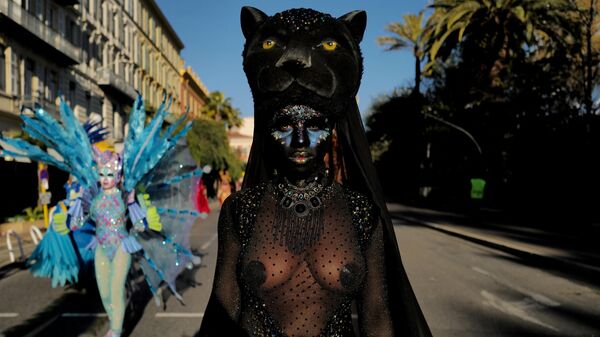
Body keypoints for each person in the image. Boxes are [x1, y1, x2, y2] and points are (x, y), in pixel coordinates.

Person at [197, 7, 431, 337]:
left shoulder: (362, 215)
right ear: (269, 131)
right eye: (285, 125)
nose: (301, 138)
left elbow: (377, 318)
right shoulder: (241, 210)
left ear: (332, 131)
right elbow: (224, 308)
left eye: (316, 125)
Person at [1, 96, 203, 337]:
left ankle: (115, 330)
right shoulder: (92, 196)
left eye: (109, 173)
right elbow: (80, 220)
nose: (105, 177)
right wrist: (67, 221)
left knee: (115, 290)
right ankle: (114, 321)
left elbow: (138, 221)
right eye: (102, 173)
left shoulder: (126, 195)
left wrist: (144, 220)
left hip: (120, 247)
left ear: (116, 176)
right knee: (105, 293)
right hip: (100, 247)